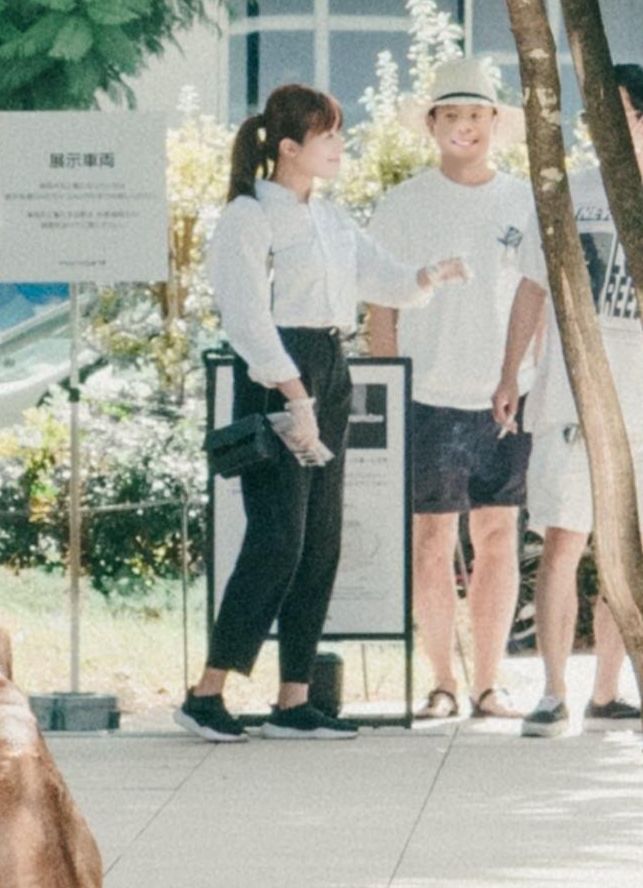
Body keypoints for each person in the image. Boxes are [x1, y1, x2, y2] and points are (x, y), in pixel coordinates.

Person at [195, 84, 467, 741]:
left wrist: (429, 275)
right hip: (277, 375)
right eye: (328, 135)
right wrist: (295, 396)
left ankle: (294, 699)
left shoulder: (330, 217)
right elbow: (246, 318)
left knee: (320, 540)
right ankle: (206, 693)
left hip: (330, 363)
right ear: (289, 147)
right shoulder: (247, 216)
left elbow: (385, 278)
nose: (340, 146)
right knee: (276, 538)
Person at [501, 64, 643, 738]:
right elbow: (532, 288)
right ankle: (551, 691)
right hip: (568, 399)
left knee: (626, 551)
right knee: (561, 541)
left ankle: (607, 690)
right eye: (589, 114)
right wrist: (509, 372)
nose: (594, 126)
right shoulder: (565, 194)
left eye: (612, 111)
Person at [365, 56, 539, 724]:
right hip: (426, 391)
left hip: (508, 389)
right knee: (431, 539)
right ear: (432, 123)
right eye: (451, 114)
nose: (464, 126)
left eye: (476, 114)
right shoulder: (403, 203)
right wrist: (388, 387)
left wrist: (525, 375)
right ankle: (441, 681)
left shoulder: (522, 200)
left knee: (498, 533)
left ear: (494, 121)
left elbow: (540, 296)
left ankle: (489, 681)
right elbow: (381, 302)